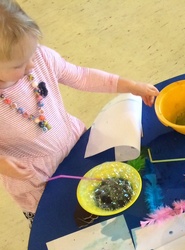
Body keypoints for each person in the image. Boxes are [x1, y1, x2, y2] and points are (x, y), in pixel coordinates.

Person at [0, 0, 159, 224]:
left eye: (32, 53)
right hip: (37, 178)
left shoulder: (40, 59)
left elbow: (81, 76)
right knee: (60, 221)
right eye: (19, 65)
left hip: (74, 143)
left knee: (100, 197)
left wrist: (130, 85)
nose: (31, 66)